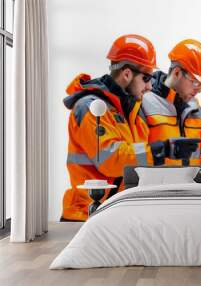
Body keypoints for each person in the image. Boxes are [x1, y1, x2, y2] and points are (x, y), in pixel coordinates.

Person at [62, 34, 171, 221]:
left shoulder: (133, 112)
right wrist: (161, 151)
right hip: (86, 216)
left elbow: (137, 162)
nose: (150, 86)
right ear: (127, 74)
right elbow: (110, 160)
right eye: (146, 78)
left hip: (116, 212)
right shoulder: (90, 108)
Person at [141, 39, 201, 165]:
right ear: (177, 73)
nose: (199, 90)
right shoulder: (144, 101)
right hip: (157, 184)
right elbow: (132, 157)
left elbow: (200, 153)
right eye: (196, 83)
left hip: (191, 184)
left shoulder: (195, 108)